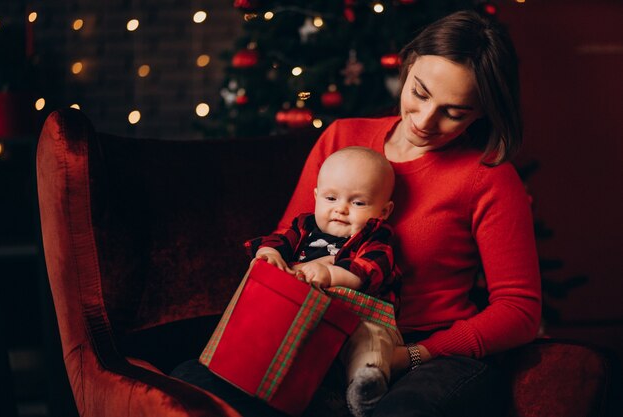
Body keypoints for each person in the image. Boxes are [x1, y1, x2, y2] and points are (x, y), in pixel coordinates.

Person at [172, 9, 541, 417]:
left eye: (454, 113)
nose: (424, 120)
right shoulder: (343, 137)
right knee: (191, 388)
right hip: (321, 335)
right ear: (408, 62)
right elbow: (294, 234)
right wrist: (275, 265)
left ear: (483, 112)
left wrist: (412, 355)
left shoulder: (488, 177)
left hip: (430, 355)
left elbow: (519, 311)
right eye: (419, 93)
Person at [245, 146, 403, 417]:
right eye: (331, 198)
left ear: (384, 210)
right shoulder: (303, 227)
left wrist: (330, 274)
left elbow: (369, 269)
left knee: (373, 340)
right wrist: (269, 253)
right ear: (316, 196)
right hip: (308, 318)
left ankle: (366, 385)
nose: (340, 209)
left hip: (360, 318)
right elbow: (278, 240)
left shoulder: (375, 238)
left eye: (358, 203)